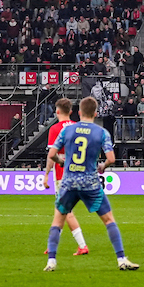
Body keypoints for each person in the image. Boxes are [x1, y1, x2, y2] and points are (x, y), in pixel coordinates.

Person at [43, 96, 138, 271]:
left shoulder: (68, 130)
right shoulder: (101, 132)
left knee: (58, 220)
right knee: (109, 220)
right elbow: (111, 158)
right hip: (90, 183)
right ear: (95, 113)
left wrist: (61, 162)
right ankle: (121, 259)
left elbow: (52, 155)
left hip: (69, 181)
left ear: (79, 113)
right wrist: (102, 166)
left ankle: (51, 261)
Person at [41, 98, 90, 257]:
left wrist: (46, 174)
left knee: (65, 210)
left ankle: (82, 245)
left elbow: (51, 155)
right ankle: (52, 244)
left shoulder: (55, 129)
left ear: (57, 111)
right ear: (71, 111)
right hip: (79, 170)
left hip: (63, 174)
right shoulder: (78, 127)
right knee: (60, 210)